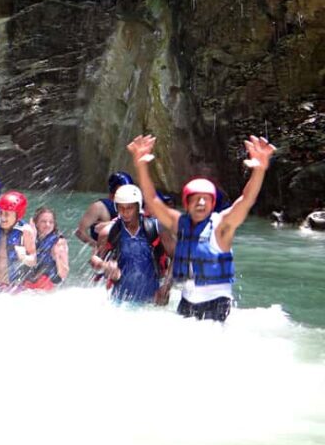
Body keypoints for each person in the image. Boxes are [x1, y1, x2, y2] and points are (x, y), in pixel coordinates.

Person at [127, 134, 276, 321]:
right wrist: (141, 166)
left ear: (213, 203)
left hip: (216, 304)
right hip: (187, 302)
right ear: (187, 204)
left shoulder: (222, 225)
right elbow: (152, 200)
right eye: (196, 199)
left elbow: (246, 200)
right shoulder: (180, 224)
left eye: (206, 199)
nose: (201, 203)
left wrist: (259, 170)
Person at [90, 185, 169, 304]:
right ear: (116, 207)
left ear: (138, 207)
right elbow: (94, 260)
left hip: (151, 302)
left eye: (129, 208)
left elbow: (176, 256)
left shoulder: (155, 228)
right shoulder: (109, 232)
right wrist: (105, 266)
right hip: (120, 302)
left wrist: (167, 286)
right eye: (121, 208)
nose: (125, 212)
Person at [0, 191, 37, 291]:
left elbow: (34, 260)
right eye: (1, 213)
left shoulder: (25, 231)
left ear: (17, 215)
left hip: (15, 287)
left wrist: (24, 257)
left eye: (7, 214)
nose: (2, 218)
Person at [74, 172, 134, 245]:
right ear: (113, 191)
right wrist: (97, 246)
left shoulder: (135, 207)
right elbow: (80, 232)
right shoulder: (99, 207)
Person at [23, 207, 69, 290]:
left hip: (49, 281)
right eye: (43, 221)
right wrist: (32, 238)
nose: (47, 225)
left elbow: (63, 274)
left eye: (51, 222)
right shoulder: (29, 236)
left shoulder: (59, 242)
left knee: (43, 272)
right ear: (36, 223)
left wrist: (57, 256)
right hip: (30, 280)